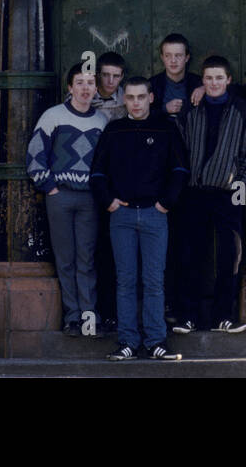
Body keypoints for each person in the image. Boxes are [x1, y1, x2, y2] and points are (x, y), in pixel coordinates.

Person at [90, 77, 189, 361]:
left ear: (151, 98)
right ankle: (128, 343)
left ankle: (156, 342)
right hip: (121, 215)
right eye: (130, 97)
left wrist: (165, 203)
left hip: (154, 215)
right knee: (125, 281)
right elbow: (98, 172)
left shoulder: (165, 128)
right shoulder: (114, 129)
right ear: (124, 100)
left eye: (141, 97)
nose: (135, 103)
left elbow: (180, 170)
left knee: (154, 281)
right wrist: (108, 202)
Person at [173, 55, 246, 334]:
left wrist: (239, 190)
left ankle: (224, 317)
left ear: (229, 80)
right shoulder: (190, 110)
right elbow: (179, 152)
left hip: (228, 194)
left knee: (229, 256)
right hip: (194, 192)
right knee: (189, 255)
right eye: (208, 78)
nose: (213, 83)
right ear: (202, 81)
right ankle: (189, 317)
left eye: (219, 78)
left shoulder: (242, 110)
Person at [26, 63, 109, 336]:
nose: (86, 88)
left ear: (96, 88)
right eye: (80, 83)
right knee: (65, 259)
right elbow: (36, 154)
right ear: (70, 87)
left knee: (86, 258)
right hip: (60, 195)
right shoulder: (53, 117)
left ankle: (89, 317)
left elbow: (107, 163)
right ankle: (72, 317)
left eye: (90, 83)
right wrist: (48, 186)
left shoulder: (102, 122)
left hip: (90, 200)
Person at [148, 33, 203, 324]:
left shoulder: (198, 83)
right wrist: (162, 110)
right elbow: (137, 113)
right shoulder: (153, 85)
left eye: (178, 55)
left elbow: (235, 94)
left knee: (188, 246)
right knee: (160, 247)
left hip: (193, 178)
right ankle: (164, 308)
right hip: (159, 176)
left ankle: (189, 310)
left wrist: (206, 88)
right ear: (162, 57)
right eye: (168, 55)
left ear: (187, 57)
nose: (173, 61)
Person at [91, 51, 126, 334]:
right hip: (89, 183)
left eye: (116, 76)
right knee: (97, 251)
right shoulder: (83, 99)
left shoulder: (130, 100)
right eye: (106, 75)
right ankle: (100, 312)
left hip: (121, 183)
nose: (110, 81)